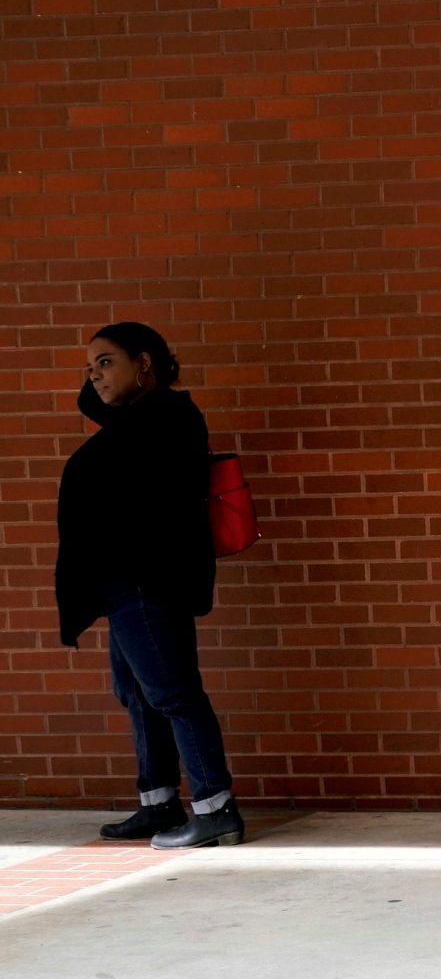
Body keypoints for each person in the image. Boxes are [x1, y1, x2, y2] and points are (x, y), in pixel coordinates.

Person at [54, 323, 245, 848]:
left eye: (106, 363)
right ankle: (158, 802)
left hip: (149, 578)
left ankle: (215, 807)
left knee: (174, 692)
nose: (94, 377)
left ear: (144, 363)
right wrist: (105, 375)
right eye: (89, 367)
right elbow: (93, 404)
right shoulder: (135, 418)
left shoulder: (168, 417)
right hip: (125, 580)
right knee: (137, 693)